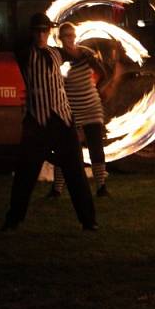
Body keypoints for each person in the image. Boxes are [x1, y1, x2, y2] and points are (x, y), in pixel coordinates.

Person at [1, 13, 97, 231]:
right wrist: (33, 33)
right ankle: (13, 219)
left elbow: (81, 54)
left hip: (63, 120)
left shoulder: (57, 52)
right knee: (25, 173)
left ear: (50, 32)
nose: (41, 35)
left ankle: (89, 221)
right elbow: (18, 41)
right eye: (37, 31)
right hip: (37, 122)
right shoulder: (25, 54)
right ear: (32, 32)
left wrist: (79, 48)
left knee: (75, 172)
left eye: (45, 30)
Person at [49, 22, 109, 198]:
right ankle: (57, 189)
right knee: (65, 149)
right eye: (67, 35)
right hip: (71, 109)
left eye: (73, 35)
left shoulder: (85, 53)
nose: (71, 38)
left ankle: (101, 187)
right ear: (60, 38)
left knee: (96, 147)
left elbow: (104, 72)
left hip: (92, 107)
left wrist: (95, 89)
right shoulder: (58, 56)